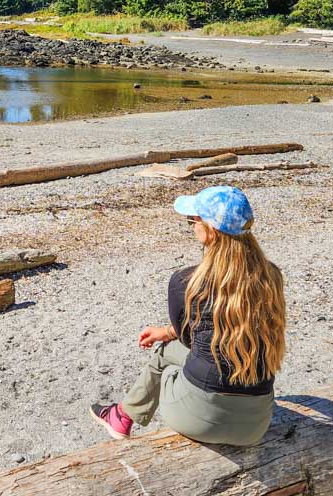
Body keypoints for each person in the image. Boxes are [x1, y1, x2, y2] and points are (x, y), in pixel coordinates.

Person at [90, 185, 286, 445]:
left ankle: (122, 417)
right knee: (192, 352)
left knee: (165, 354)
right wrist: (168, 330)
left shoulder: (187, 282)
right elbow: (212, 329)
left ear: (211, 231)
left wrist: (170, 334)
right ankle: (121, 414)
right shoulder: (270, 277)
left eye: (193, 221)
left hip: (199, 419)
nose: (192, 227)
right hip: (256, 424)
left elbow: (191, 340)